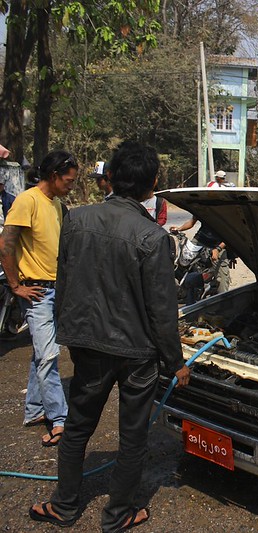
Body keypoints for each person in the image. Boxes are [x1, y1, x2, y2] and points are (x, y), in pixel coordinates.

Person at [27, 141, 190, 531]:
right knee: (132, 436)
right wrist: (176, 363)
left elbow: (64, 282)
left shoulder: (76, 219)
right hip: (137, 354)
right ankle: (119, 514)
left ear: (111, 177)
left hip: (89, 345)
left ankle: (64, 507)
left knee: (78, 426)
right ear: (153, 184)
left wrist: (70, 334)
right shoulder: (153, 237)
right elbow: (162, 311)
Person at [0, 150, 76, 445]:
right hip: (37, 291)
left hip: (55, 288)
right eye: (68, 180)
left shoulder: (56, 204)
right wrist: (15, 285)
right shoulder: (27, 201)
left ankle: (34, 410)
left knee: (42, 352)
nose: (71, 185)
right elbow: (6, 244)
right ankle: (59, 418)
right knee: (48, 356)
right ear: (54, 176)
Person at [170, 216, 233, 294]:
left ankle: (222, 297)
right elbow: (191, 222)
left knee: (222, 280)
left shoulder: (225, 213)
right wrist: (179, 229)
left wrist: (218, 249)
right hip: (199, 240)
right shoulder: (203, 210)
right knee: (182, 262)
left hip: (217, 246)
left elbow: (230, 235)